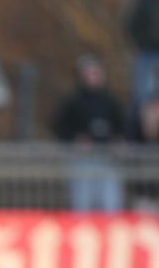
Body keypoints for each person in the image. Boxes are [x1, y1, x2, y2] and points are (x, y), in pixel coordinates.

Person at [53, 55, 126, 212]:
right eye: (89, 73)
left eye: (96, 72)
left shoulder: (111, 101)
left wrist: (117, 141)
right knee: (82, 204)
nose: (93, 77)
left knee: (110, 203)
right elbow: (61, 128)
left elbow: (121, 128)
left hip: (107, 159)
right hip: (82, 160)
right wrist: (75, 140)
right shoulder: (73, 102)